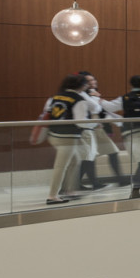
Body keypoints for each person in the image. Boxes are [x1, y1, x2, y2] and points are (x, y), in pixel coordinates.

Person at [42, 75, 91, 204]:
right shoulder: (79, 99)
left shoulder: (56, 96)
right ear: (81, 86)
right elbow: (81, 122)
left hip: (53, 135)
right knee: (60, 166)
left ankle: (71, 191)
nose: (87, 87)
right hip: (68, 137)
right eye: (86, 85)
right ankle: (52, 196)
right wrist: (94, 124)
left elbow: (49, 113)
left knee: (75, 161)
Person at [75, 72, 127, 191]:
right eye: (89, 81)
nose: (93, 82)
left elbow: (102, 112)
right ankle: (91, 182)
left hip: (97, 129)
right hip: (89, 129)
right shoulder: (82, 95)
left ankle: (120, 179)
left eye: (93, 80)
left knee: (111, 152)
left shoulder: (92, 95)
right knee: (89, 157)